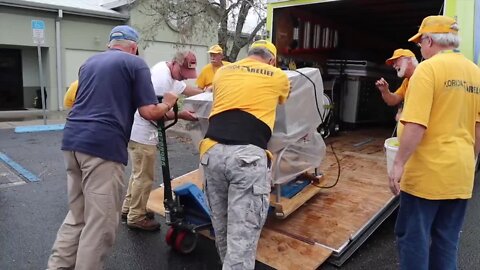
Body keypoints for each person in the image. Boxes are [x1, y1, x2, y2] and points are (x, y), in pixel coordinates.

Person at [47, 25, 178, 270]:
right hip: (102, 146)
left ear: (110, 43)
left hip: (72, 141)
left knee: (77, 216)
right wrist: (169, 102)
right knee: (100, 224)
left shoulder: (89, 63)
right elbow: (149, 111)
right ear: (134, 46)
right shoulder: (134, 62)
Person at [390, 15, 480, 270]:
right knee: (446, 241)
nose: (420, 47)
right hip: (460, 174)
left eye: (420, 42)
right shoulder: (476, 72)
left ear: (429, 39)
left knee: (413, 240)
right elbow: (478, 127)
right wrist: (470, 160)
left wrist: (398, 164)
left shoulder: (427, 70)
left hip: (427, 176)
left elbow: (416, 124)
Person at [199, 40, 290, 269]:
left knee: (223, 230)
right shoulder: (278, 75)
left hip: (212, 152)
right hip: (246, 157)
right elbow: (283, 100)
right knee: (242, 239)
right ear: (272, 60)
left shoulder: (222, 72)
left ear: (248, 55)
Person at [121, 50, 202, 231]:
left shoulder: (173, 76)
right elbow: (154, 114)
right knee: (144, 176)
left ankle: (130, 209)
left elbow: (187, 90)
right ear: (174, 64)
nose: (184, 78)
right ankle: (136, 216)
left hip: (144, 132)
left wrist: (207, 92)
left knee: (138, 174)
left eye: (187, 75)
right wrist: (181, 114)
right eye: (182, 73)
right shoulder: (160, 79)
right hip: (142, 133)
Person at [375, 49, 418, 120]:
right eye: (393, 63)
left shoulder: (423, 76)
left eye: (396, 61)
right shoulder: (406, 81)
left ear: (409, 60)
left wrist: (405, 115)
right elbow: (393, 101)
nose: (394, 66)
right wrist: (385, 91)